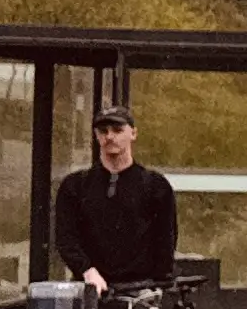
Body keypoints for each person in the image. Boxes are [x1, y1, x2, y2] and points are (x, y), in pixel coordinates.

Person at [56, 105, 179, 293]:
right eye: (103, 131)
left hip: (141, 289)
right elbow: (66, 239)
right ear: (96, 136)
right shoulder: (75, 186)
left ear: (133, 133)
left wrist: (158, 284)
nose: (110, 136)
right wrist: (87, 271)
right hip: (90, 289)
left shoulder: (156, 186)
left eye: (118, 130)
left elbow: (165, 239)